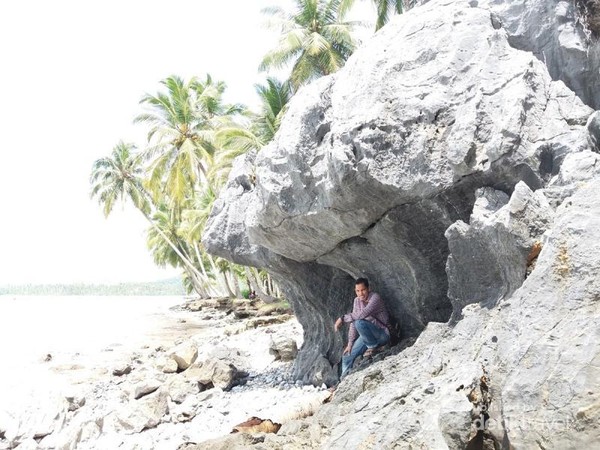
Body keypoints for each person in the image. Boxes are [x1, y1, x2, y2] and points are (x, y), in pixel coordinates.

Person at [334, 277, 390, 378]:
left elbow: (362, 315)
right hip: (367, 336)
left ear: (369, 289)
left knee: (359, 322)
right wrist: (350, 343)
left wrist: (342, 318)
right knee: (346, 356)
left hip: (382, 333)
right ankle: (343, 382)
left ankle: (372, 347)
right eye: (358, 291)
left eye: (363, 290)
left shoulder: (375, 298)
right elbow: (353, 322)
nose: (361, 293)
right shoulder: (357, 301)